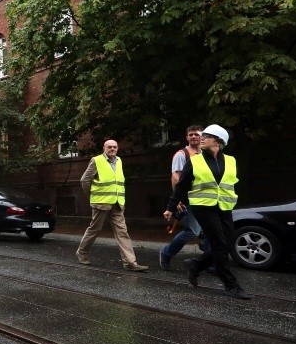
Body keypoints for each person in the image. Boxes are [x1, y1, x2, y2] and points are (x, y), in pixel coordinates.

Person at [164, 124, 251, 300]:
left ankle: (196, 265)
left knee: (226, 242)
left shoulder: (231, 161)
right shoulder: (195, 161)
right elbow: (181, 187)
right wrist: (170, 207)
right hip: (203, 207)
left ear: (218, 141)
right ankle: (231, 284)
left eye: (207, 136)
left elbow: (230, 184)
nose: (201, 138)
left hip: (224, 206)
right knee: (219, 241)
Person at [76, 140, 148, 271]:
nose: (112, 149)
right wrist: (93, 196)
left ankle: (130, 262)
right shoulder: (96, 160)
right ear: (104, 148)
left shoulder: (119, 161)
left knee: (123, 233)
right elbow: (84, 180)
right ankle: (82, 253)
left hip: (117, 204)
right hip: (101, 203)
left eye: (114, 147)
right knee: (95, 230)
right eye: (109, 147)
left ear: (118, 148)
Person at [160, 125, 209, 270]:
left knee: (208, 230)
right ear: (187, 137)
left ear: (202, 137)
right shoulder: (182, 154)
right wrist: (178, 200)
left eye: (196, 134)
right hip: (187, 200)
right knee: (193, 231)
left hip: (204, 198)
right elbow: (176, 177)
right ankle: (167, 253)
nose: (193, 137)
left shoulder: (205, 154)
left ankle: (209, 262)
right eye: (191, 135)